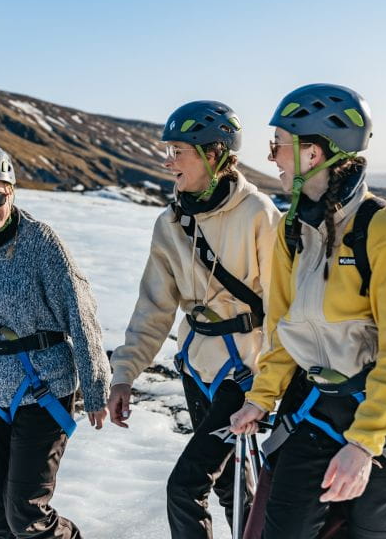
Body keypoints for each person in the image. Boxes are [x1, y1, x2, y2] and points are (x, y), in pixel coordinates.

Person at [230, 84, 386, 539]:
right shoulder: (292, 230)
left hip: (383, 420)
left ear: (314, 153)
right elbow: (282, 331)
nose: (272, 157)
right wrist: (261, 398)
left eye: (279, 145)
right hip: (315, 407)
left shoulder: (381, 230)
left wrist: (363, 445)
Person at [106, 101, 281, 539]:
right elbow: (154, 306)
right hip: (196, 368)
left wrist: (269, 388)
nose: (168, 162)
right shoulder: (170, 223)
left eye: (178, 151)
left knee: (184, 488)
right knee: (230, 487)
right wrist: (124, 375)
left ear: (213, 153)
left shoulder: (258, 214)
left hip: (242, 373)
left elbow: (283, 305)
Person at [0, 144, 110, 539]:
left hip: (45, 388)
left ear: (11, 191)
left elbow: (82, 316)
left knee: (26, 514)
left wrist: (95, 389)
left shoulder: (42, 243)